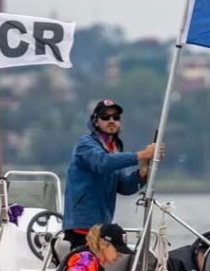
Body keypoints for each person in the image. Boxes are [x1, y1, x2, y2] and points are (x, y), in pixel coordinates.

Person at [62, 98, 161, 248]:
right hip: (81, 227)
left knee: (98, 269)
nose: (111, 120)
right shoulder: (84, 144)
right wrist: (142, 154)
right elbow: (103, 163)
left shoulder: (114, 151)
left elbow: (125, 187)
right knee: (84, 267)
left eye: (115, 117)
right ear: (96, 121)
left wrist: (143, 170)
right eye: (105, 117)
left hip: (102, 228)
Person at [55, 223, 133, 271]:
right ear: (103, 244)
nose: (119, 255)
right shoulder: (86, 258)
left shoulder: (96, 261)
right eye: (117, 250)